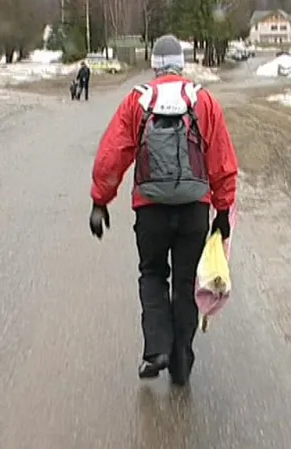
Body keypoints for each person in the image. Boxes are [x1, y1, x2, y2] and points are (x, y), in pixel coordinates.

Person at [88, 34, 238, 385]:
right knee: (185, 282)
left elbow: (112, 156)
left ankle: (157, 347)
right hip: (194, 209)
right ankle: (181, 359)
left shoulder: (137, 101)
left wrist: (100, 201)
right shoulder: (203, 101)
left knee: (153, 274)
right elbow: (222, 160)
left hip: (151, 209)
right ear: (181, 64)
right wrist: (222, 211)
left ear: (154, 65)